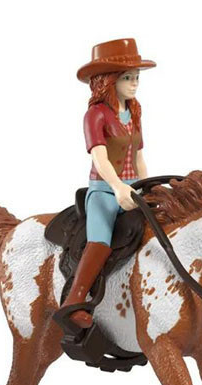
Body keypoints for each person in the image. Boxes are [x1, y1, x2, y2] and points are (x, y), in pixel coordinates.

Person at [60, 38, 156, 331]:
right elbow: (100, 158)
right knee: (100, 242)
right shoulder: (96, 115)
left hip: (132, 189)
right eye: (127, 77)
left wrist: (146, 186)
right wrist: (117, 187)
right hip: (105, 190)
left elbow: (139, 157)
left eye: (136, 77)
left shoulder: (135, 112)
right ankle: (74, 300)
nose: (134, 83)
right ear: (109, 81)